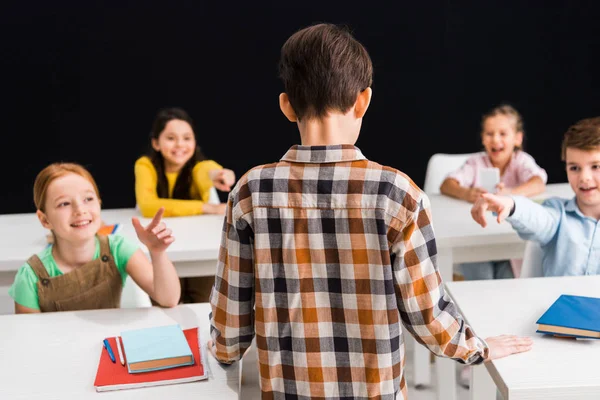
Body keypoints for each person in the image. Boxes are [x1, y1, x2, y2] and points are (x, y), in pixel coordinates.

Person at [207, 23, 532, 399]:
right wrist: (477, 348)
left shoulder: (250, 191)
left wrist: (221, 352)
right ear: (363, 101)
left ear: (287, 106)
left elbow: (230, 329)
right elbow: (427, 315)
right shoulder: (399, 194)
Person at [9, 162, 181, 313]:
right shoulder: (30, 275)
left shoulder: (118, 248)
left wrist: (157, 252)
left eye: (88, 199)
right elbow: (30, 336)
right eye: (64, 204)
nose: (80, 210)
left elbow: (169, 299)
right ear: (44, 219)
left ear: (99, 204)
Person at [472, 116, 600, 277]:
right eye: (574, 168)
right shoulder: (557, 214)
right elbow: (536, 216)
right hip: (557, 300)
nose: (584, 177)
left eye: (596, 166)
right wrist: (510, 205)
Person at [135, 107, 236, 303]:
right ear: (156, 143)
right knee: (165, 303)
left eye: (187, 138)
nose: (180, 144)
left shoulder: (198, 167)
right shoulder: (145, 165)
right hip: (163, 248)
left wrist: (220, 174)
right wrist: (205, 207)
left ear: (195, 142)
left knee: (205, 303)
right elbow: (148, 206)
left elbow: (209, 170)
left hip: (197, 247)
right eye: (171, 138)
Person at [441, 105, 548, 282]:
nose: (495, 139)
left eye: (503, 134)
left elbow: (538, 182)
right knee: (481, 278)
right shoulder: (476, 163)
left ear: (518, 139)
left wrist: (509, 195)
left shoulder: (521, 161)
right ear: (483, 139)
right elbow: (447, 184)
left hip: (509, 240)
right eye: (489, 134)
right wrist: (466, 193)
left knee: (504, 282)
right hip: (475, 236)